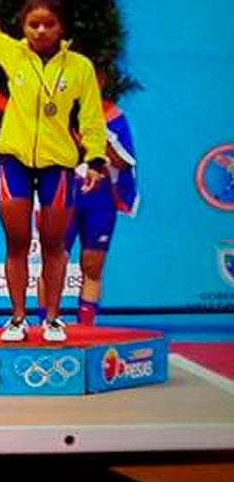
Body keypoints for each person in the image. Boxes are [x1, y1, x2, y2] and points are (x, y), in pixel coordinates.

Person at [0, 0, 107, 342]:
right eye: (33, 24)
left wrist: (96, 159)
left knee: (54, 245)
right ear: (23, 26)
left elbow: (91, 118)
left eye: (49, 24)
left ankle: (52, 319)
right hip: (14, 162)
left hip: (58, 165)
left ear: (62, 27)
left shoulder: (79, 67)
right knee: (16, 243)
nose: (40, 31)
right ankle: (17, 318)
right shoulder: (11, 53)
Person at [61, 74, 138, 326]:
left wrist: (103, 141)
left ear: (102, 81)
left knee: (93, 266)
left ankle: (86, 329)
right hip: (64, 192)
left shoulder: (112, 115)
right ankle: (46, 324)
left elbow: (125, 162)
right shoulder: (57, 109)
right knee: (54, 262)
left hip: (100, 198)